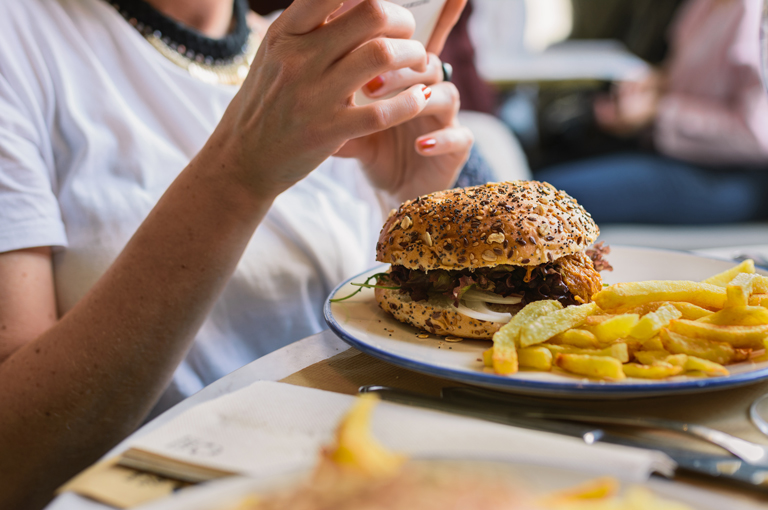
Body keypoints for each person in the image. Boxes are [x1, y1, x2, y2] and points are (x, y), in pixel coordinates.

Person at [0, 0, 474, 507]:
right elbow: (13, 461)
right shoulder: (21, 40)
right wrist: (238, 171)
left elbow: (359, 347)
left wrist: (406, 214)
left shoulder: (316, 58)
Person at [536, 0, 768, 224]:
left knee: (549, 197)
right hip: (675, 153)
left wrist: (656, 111)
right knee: (543, 167)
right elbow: (683, 72)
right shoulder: (706, 4)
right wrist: (652, 83)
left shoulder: (757, 13)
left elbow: (757, 136)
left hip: (732, 176)